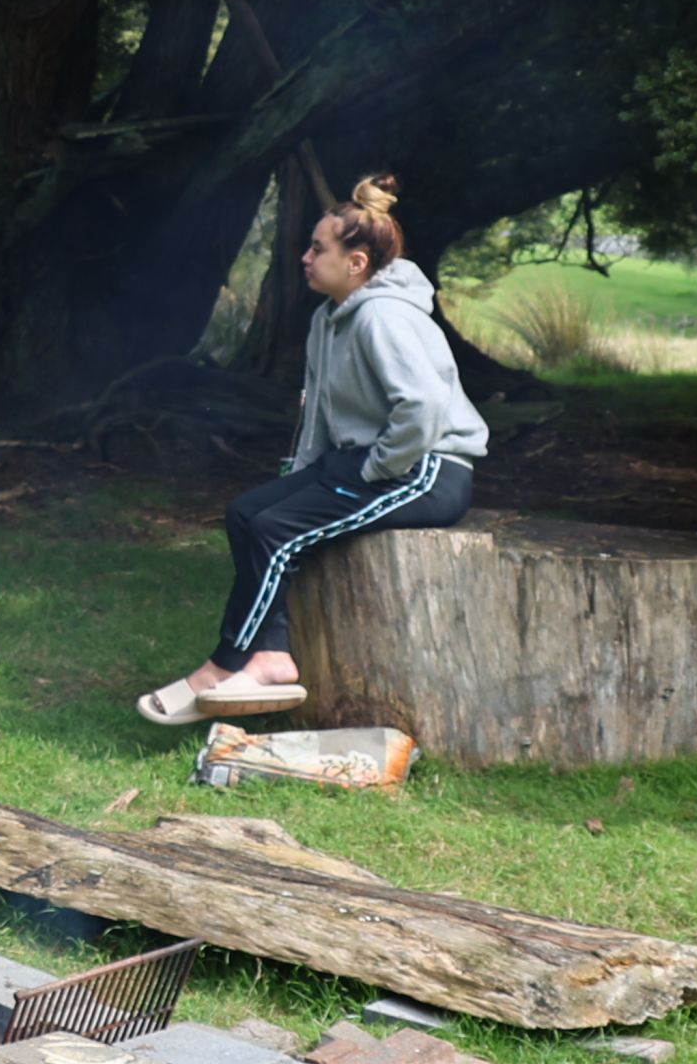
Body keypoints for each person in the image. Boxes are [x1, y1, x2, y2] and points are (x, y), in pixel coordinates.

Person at [141, 173, 487, 724]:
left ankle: (223, 667)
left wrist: (379, 466)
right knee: (247, 513)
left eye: (318, 249)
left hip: (425, 472)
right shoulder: (328, 319)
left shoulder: (382, 316)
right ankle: (273, 655)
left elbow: (422, 408)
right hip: (366, 462)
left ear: (356, 263)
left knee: (276, 532)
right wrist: (300, 477)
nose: (304, 258)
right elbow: (321, 414)